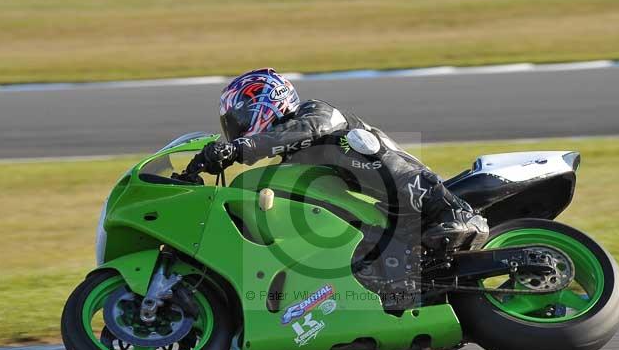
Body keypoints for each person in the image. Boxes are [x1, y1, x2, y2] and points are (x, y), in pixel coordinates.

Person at [193, 68, 488, 252]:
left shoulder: (316, 113)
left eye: (239, 119)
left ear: (267, 103)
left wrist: (240, 148)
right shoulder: (292, 160)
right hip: (383, 216)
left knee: (355, 142)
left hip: (411, 191)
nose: (236, 129)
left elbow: (307, 130)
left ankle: (451, 209)